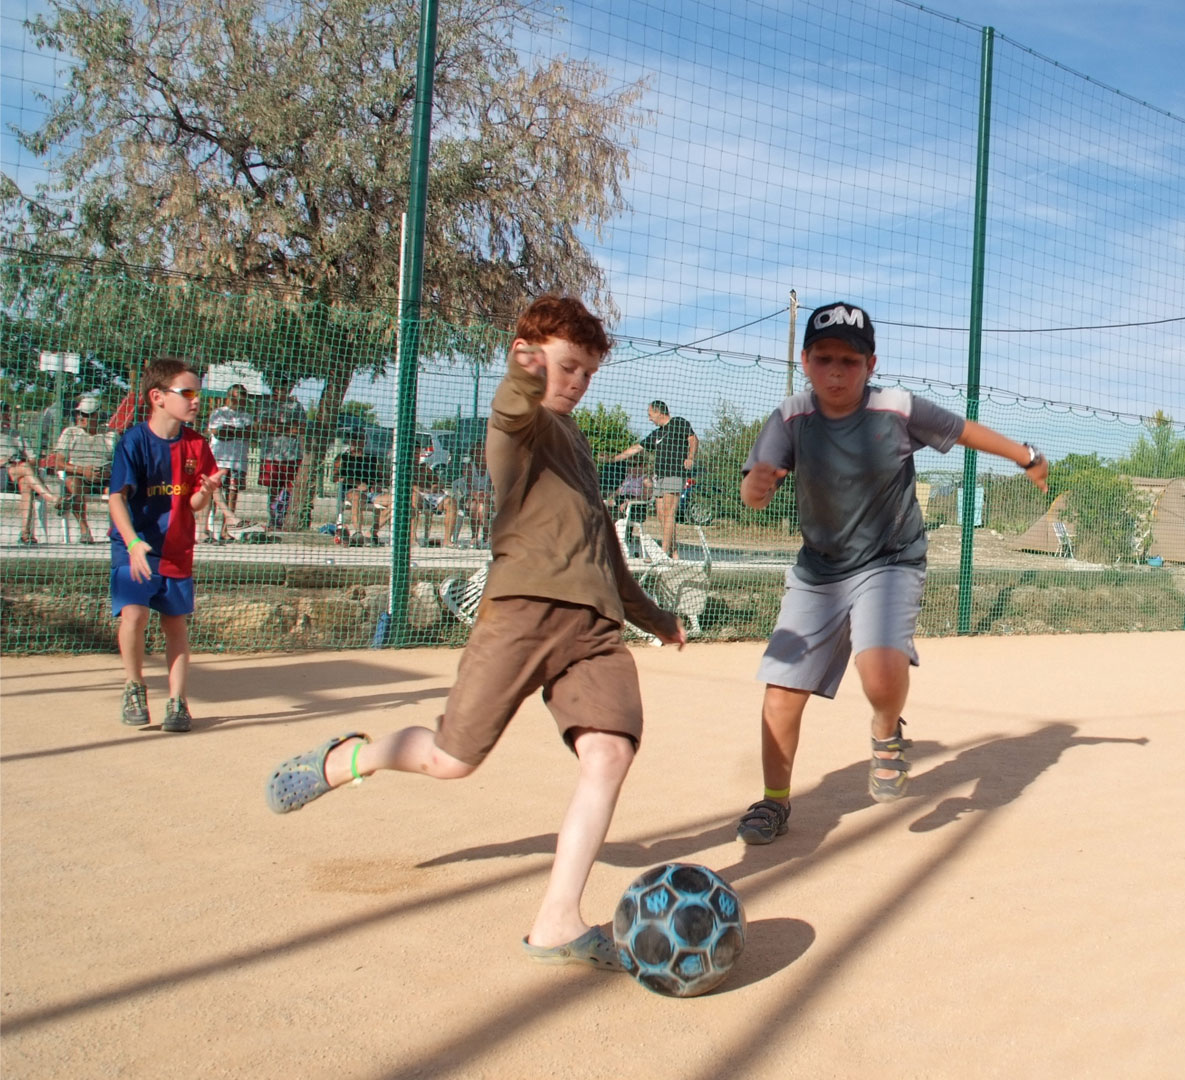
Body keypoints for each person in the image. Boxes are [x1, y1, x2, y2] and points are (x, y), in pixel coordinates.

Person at [265, 295, 685, 972]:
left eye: (587, 373)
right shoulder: (517, 427)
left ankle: (556, 921)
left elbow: (602, 539)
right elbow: (514, 403)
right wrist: (524, 371)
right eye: (567, 366)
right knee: (451, 761)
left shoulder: (575, 438)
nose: (577, 382)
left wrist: (651, 615)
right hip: (521, 613)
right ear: (528, 353)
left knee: (609, 754)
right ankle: (352, 757)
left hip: (595, 628)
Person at [733, 301, 1049, 846]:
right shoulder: (790, 417)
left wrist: (1026, 455)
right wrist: (754, 489)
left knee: (879, 671)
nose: (837, 371)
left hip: (890, 560)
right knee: (782, 690)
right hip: (818, 571)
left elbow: (964, 430)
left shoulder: (897, 409)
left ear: (871, 364)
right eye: (825, 358)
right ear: (805, 361)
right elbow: (754, 490)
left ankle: (885, 731)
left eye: (850, 361)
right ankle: (774, 802)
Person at [105, 360, 223, 731]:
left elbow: (191, 504)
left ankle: (177, 701)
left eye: (198, 394)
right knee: (134, 616)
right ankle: (134, 686)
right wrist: (134, 542)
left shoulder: (197, 445)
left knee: (175, 624)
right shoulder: (134, 441)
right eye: (186, 393)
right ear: (157, 397)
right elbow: (115, 499)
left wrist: (204, 492)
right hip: (134, 546)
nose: (196, 401)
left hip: (176, 548)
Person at [608, 400, 698, 558]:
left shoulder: (679, 422)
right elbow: (637, 448)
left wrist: (690, 457)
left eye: (650, 415)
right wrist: (614, 458)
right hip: (660, 476)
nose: (649, 419)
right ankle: (674, 552)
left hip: (675, 473)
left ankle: (663, 552)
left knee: (669, 512)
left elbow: (693, 439)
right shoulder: (657, 433)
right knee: (660, 513)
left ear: (659, 412)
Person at [49, 395, 116, 543]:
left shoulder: (111, 435)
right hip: (79, 477)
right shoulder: (70, 433)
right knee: (73, 484)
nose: (81, 417)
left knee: (119, 490)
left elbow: (120, 462)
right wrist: (83, 470)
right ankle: (84, 528)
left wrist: (108, 472)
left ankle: (117, 528)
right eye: (79, 413)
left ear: (97, 415)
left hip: (104, 478)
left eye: (86, 414)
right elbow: (59, 463)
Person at [202, 384, 256, 542]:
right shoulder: (219, 413)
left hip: (238, 460)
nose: (239, 400)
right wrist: (234, 431)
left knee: (232, 494)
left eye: (242, 397)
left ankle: (227, 530)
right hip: (219, 460)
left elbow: (249, 433)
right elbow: (217, 433)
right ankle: (207, 529)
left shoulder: (246, 416)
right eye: (236, 396)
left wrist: (229, 430)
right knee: (213, 495)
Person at [2, 401, 61, 545]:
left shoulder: (15, 434)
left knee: (27, 482)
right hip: (2, 473)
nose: (5, 414)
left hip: (17, 472)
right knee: (24, 468)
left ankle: (26, 534)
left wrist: (22, 461)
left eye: (6, 411)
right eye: (2, 411)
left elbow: (33, 458)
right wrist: (5, 461)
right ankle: (51, 498)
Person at [259, 384, 306, 531]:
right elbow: (264, 426)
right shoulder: (266, 406)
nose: (280, 391)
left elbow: (299, 428)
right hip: (271, 454)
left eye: (284, 388)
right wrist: (286, 428)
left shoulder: (295, 406)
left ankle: (287, 520)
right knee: (273, 489)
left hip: (292, 455)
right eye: (277, 388)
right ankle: (273, 520)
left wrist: (279, 428)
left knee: (290, 490)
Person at [331, 430, 391, 544]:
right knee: (356, 496)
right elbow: (335, 477)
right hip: (352, 490)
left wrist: (378, 485)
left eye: (360, 439)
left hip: (372, 492)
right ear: (350, 441)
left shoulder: (372, 459)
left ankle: (372, 532)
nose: (357, 442)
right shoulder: (343, 458)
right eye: (354, 439)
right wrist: (356, 483)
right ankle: (357, 532)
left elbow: (382, 478)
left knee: (395, 501)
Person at [448, 442, 493, 548]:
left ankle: (485, 535)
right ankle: (476, 536)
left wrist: (485, 495)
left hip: (487, 496)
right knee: (474, 507)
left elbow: (493, 486)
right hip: (472, 496)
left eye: (482, 451)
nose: (480, 454)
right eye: (477, 451)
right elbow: (468, 486)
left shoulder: (491, 467)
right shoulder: (469, 466)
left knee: (482, 507)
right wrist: (476, 494)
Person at [410, 444, 456, 547]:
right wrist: (420, 489)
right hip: (417, 496)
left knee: (451, 502)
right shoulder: (404, 469)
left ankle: (447, 540)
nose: (416, 456)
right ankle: (412, 538)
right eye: (414, 454)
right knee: (414, 498)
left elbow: (439, 483)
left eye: (417, 454)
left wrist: (434, 487)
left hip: (431, 495)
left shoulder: (424, 468)